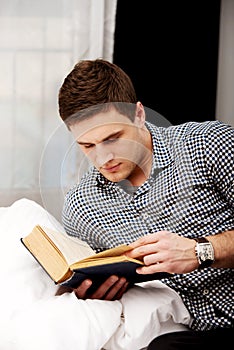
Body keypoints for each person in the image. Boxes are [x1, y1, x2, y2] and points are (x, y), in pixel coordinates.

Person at [58, 58, 234, 348]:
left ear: (139, 114)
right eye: (87, 146)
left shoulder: (209, 145)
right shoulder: (81, 208)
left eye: (113, 138)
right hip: (199, 330)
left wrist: (202, 251)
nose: (103, 158)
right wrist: (98, 289)